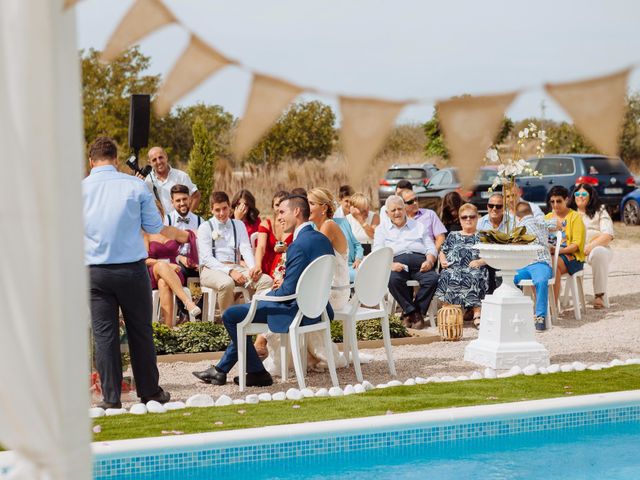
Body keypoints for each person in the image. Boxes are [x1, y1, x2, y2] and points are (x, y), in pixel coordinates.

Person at [192, 195, 335, 387]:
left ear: (297, 212)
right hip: (319, 310)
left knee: (233, 316)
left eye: (282, 212)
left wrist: (264, 296)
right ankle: (220, 370)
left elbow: (287, 292)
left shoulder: (298, 246)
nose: (279, 218)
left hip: (295, 312)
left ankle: (257, 372)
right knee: (244, 318)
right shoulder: (322, 240)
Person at [83, 137, 176, 409]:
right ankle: (149, 392)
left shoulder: (77, 190)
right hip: (131, 269)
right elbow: (154, 225)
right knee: (140, 331)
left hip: (95, 272)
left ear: (91, 161)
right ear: (115, 158)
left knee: (104, 335)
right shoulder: (135, 185)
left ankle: (110, 398)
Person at [197, 191, 273, 313]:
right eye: (217, 210)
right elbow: (206, 258)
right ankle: (228, 322)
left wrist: (253, 267)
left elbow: (245, 248)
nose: (222, 213)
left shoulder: (239, 225)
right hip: (210, 269)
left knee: (266, 281)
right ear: (211, 210)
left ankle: (252, 316)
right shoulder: (205, 227)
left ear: (229, 207)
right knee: (226, 284)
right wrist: (230, 271)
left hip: (236, 267)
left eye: (224, 208)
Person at [373, 195, 439, 330]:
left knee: (433, 279)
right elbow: (377, 251)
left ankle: (411, 313)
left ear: (404, 209)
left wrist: (430, 261)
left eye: (399, 209)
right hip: (397, 264)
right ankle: (414, 313)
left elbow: (431, 247)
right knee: (392, 280)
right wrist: (389, 265)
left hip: (420, 263)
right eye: (393, 210)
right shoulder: (381, 229)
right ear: (387, 213)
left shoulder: (419, 226)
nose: (397, 213)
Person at [144, 203, 201, 326]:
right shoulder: (145, 234)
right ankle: (187, 302)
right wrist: (167, 265)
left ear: (161, 214)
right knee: (161, 266)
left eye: (157, 213)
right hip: (153, 272)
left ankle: (168, 329)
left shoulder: (172, 231)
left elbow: (194, 237)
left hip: (175, 273)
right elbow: (145, 260)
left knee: (164, 283)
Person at [436, 203, 489, 328]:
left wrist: (479, 262)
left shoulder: (483, 236)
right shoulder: (453, 235)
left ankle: (477, 313)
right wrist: (443, 261)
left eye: (472, 216)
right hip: (454, 268)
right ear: (460, 219)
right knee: (446, 275)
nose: (468, 219)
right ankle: (450, 313)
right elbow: (442, 251)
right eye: (464, 217)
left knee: (475, 275)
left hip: (474, 268)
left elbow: (490, 256)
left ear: (477, 218)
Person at [568, 183, 614, 309]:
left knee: (598, 252)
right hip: (575, 249)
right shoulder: (570, 213)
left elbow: (608, 235)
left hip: (598, 247)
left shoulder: (600, 210)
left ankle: (599, 295)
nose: (580, 197)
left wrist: (590, 247)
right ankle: (568, 297)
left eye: (584, 194)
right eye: (577, 194)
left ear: (590, 196)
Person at [308, 188, 351, 310]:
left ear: (324, 208)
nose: (307, 207)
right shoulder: (319, 228)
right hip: (325, 287)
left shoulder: (329, 226)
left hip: (335, 291)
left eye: (311, 204)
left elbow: (314, 260)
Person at [513, 202, 553, 331]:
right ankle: (540, 316)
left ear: (518, 216)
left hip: (524, 265)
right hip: (541, 263)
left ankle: (515, 312)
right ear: (531, 212)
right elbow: (556, 224)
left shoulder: (519, 226)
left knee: (510, 279)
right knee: (541, 281)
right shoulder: (542, 222)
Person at [545, 185, 586, 304]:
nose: (555, 205)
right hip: (551, 254)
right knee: (540, 264)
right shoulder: (547, 217)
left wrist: (556, 251)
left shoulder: (575, 217)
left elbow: (576, 246)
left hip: (572, 257)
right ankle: (544, 303)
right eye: (552, 201)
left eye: (559, 201)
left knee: (552, 263)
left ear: (566, 200)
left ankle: (552, 304)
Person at [145, 146, 200, 214]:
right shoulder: (147, 181)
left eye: (160, 157)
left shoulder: (181, 176)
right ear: (149, 163)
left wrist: (188, 216)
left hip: (178, 223)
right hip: (158, 223)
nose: (158, 162)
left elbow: (196, 195)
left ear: (166, 157)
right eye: (154, 160)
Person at [254, 190, 293, 279]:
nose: (280, 208)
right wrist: (258, 265)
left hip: (288, 266)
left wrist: (286, 249)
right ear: (272, 206)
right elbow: (261, 247)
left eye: (283, 204)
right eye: (277, 205)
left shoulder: (293, 224)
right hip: (267, 267)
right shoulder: (266, 224)